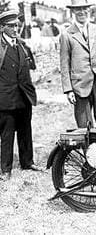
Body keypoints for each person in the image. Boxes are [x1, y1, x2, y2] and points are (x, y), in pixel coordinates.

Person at [0, 10, 43, 180]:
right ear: (2, 27)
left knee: (25, 130)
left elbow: (31, 67)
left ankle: (28, 161)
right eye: (11, 26)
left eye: (17, 25)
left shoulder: (23, 45)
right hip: (5, 98)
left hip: (24, 96)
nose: (15, 29)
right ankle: (5, 169)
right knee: (7, 133)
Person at [60, 0, 96, 129]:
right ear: (72, 11)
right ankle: (89, 150)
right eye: (77, 9)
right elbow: (64, 64)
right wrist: (68, 90)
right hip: (80, 86)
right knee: (84, 126)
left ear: (88, 10)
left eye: (84, 8)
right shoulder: (66, 35)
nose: (81, 12)